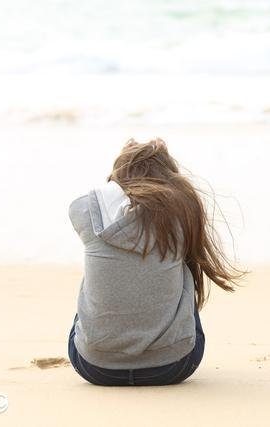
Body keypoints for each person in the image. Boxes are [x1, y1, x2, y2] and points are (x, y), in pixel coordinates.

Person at [67, 138, 242, 386]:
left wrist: (125, 162)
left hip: (95, 367)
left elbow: (89, 201)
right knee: (183, 270)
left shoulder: (87, 213)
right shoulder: (183, 211)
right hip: (172, 366)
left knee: (98, 277)